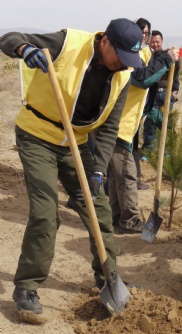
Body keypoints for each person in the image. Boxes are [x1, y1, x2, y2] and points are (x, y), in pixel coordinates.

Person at [0, 18, 143, 317]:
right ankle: (26, 286)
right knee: (46, 212)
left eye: (129, 60)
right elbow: (8, 37)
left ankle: (107, 277)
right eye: (120, 56)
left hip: (75, 144)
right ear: (104, 41)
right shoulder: (68, 43)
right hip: (37, 134)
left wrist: (98, 170)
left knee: (98, 207)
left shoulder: (122, 75)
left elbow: (108, 129)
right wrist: (24, 49)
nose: (123, 65)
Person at [107, 19, 178, 233]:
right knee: (127, 174)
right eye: (142, 32)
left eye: (147, 33)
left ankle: (117, 216)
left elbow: (154, 77)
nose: (145, 37)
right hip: (118, 125)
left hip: (124, 125)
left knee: (118, 174)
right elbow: (143, 79)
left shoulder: (142, 54)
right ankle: (129, 219)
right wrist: (165, 59)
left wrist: (166, 59)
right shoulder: (128, 57)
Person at [140, 30, 180, 158]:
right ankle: (148, 149)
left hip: (166, 94)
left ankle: (166, 150)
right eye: (152, 42)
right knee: (150, 122)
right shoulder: (148, 57)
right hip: (152, 94)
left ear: (161, 42)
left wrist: (175, 91)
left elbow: (176, 76)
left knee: (166, 122)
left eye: (157, 42)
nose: (155, 44)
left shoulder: (167, 56)